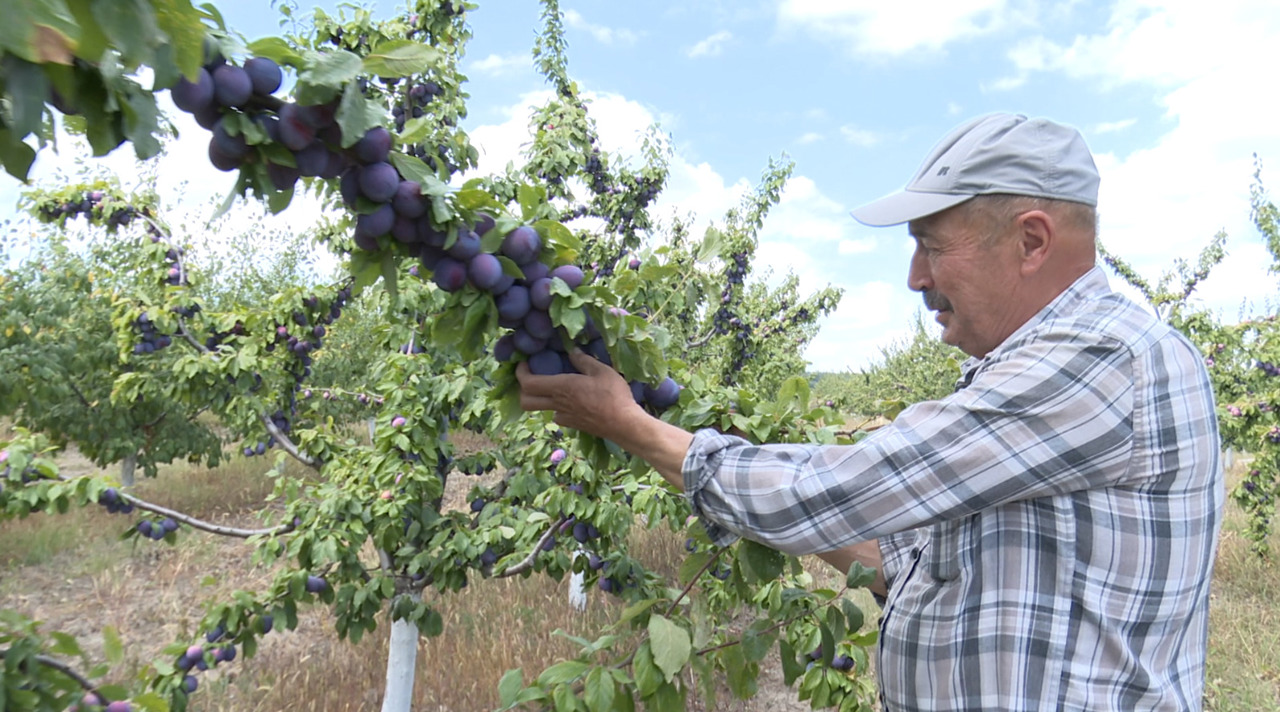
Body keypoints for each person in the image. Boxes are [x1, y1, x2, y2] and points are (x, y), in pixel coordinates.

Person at [516, 113, 1223, 712]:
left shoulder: (1098, 360)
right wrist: (714, 463)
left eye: (932, 246)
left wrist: (633, 426)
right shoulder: (1041, 369)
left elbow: (837, 491)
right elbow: (906, 562)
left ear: (1032, 241)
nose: (915, 277)